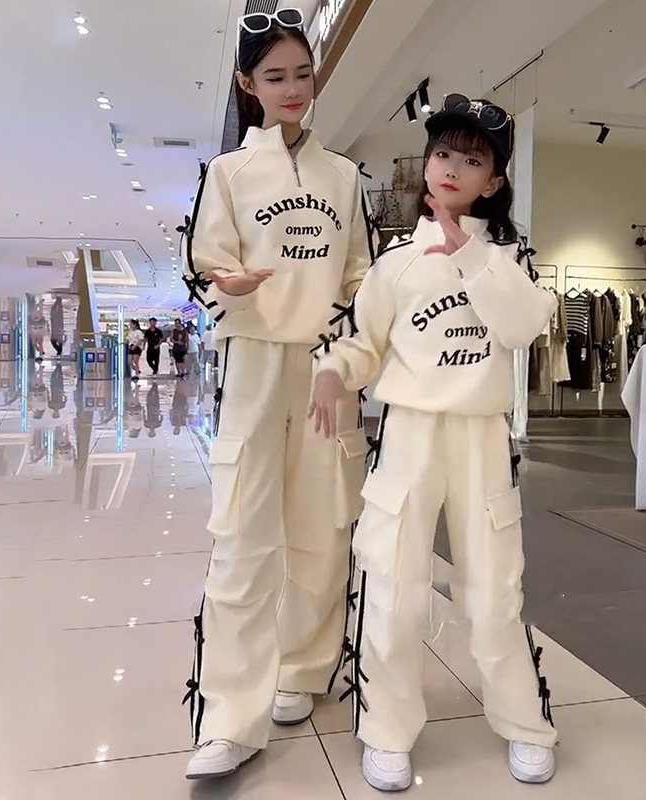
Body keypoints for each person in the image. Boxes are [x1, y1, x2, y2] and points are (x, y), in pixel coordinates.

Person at [310, 94, 559, 792]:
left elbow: (524, 326)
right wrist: (333, 371)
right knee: (392, 586)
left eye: (471, 160)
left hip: (481, 438)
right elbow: (365, 342)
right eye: (443, 152)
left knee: (495, 589)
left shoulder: (508, 256)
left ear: (495, 180)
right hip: (410, 434)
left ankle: (524, 722)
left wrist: (469, 252)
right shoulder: (395, 261)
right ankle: (386, 731)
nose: (451, 167)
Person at [181, 7, 373, 782]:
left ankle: (303, 669)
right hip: (255, 360)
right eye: (275, 76)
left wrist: (354, 345)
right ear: (247, 83)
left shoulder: (345, 176)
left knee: (325, 523)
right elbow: (206, 267)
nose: (293, 89)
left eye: (303, 74)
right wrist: (226, 284)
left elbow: (359, 274)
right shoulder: (228, 174)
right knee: (242, 536)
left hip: (326, 367)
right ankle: (230, 715)